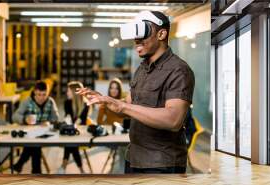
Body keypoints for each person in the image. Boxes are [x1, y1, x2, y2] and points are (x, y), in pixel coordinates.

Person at [77, 11, 195, 174]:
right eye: (135, 33)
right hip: (133, 158)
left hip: (161, 164)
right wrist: (107, 101)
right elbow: (128, 108)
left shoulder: (179, 70)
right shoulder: (141, 69)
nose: (136, 39)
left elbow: (173, 120)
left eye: (143, 31)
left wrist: (122, 107)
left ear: (161, 34)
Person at [12, 81, 59, 174]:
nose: (42, 97)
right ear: (34, 92)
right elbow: (14, 116)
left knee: (34, 144)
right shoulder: (27, 101)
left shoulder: (50, 101)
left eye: (44, 94)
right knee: (35, 145)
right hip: (29, 132)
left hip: (44, 133)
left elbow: (56, 118)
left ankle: (20, 164)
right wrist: (25, 120)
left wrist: (49, 121)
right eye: (39, 94)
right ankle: (36, 171)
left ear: (48, 93)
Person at [59, 81, 90, 174]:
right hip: (72, 132)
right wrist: (68, 122)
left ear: (74, 93)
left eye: (68, 91)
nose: (67, 93)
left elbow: (80, 121)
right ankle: (81, 170)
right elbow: (67, 117)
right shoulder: (67, 103)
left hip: (81, 133)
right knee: (71, 142)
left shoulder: (85, 105)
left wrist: (71, 125)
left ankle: (64, 166)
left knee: (71, 142)